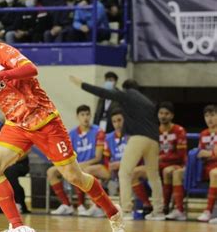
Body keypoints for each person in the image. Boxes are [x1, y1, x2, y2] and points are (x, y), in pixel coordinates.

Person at [0, 25, 125, 232]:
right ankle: (16, 228)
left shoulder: (2, 51)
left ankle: (113, 213)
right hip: (16, 125)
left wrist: (0, 74)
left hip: (44, 120)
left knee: (74, 176)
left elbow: (31, 69)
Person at [69, 76, 164, 221]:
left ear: (125, 88)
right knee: (154, 176)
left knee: (124, 173)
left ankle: (126, 210)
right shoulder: (147, 102)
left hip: (138, 138)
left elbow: (102, 92)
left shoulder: (127, 95)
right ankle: (158, 212)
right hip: (154, 140)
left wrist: (81, 84)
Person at [47, 104, 107, 218]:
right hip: (77, 165)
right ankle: (66, 205)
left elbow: (98, 157)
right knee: (51, 171)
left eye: (87, 114)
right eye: (82, 115)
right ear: (77, 117)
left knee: (80, 170)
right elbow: (67, 154)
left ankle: (82, 205)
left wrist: (78, 165)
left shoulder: (98, 132)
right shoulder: (72, 134)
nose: (85, 117)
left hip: (93, 165)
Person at [157, 102, 188, 220]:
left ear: (172, 116)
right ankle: (148, 206)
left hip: (177, 165)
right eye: (160, 113)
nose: (163, 116)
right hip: (158, 166)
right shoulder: (155, 131)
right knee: (136, 172)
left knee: (167, 171)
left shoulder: (179, 130)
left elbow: (180, 156)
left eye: (166, 113)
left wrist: (162, 158)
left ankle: (168, 207)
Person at [196, 105, 217, 223]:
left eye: (213, 115)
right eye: (207, 116)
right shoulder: (203, 133)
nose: (209, 119)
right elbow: (199, 153)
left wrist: (209, 153)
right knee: (178, 173)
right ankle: (177, 209)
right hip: (206, 167)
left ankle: (208, 211)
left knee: (214, 174)